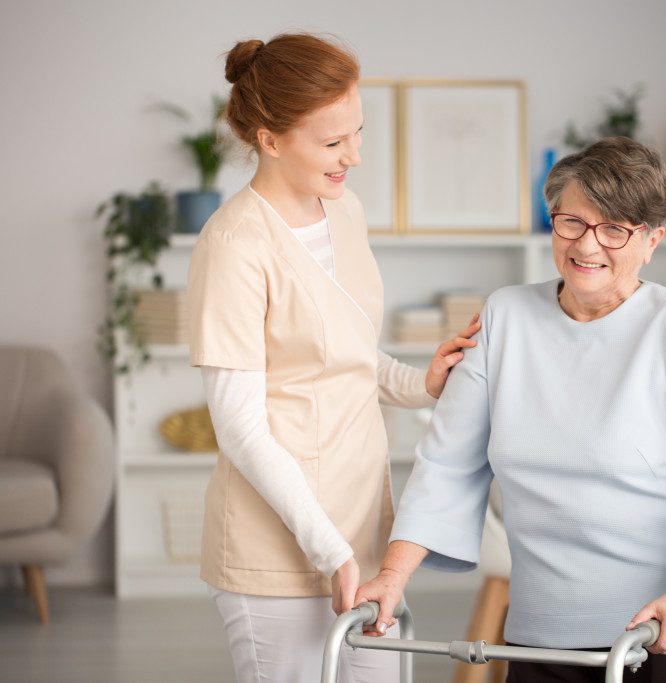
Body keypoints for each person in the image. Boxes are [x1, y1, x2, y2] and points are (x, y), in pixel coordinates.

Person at [356, 137, 666, 682]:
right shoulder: (506, 316)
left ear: (651, 241)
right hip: (546, 628)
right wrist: (392, 577)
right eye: (573, 222)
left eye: (615, 229)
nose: (588, 245)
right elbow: (447, 464)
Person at [186, 33, 479, 682]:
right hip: (280, 550)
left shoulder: (345, 213)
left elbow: (345, 352)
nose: (355, 154)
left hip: (363, 528)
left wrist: (419, 381)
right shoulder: (234, 245)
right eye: (333, 141)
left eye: (358, 132)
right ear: (269, 138)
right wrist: (329, 550)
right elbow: (239, 427)